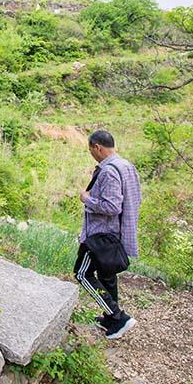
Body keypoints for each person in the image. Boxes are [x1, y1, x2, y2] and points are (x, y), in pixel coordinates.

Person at [75, 130, 142, 340]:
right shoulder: (126, 166)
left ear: (98, 147)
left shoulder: (108, 171)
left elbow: (112, 207)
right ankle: (110, 319)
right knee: (107, 275)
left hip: (99, 235)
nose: (91, 154)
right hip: (114, 234)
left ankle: (118, 316)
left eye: (91, 150)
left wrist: (87, 199)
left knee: (82, 274)